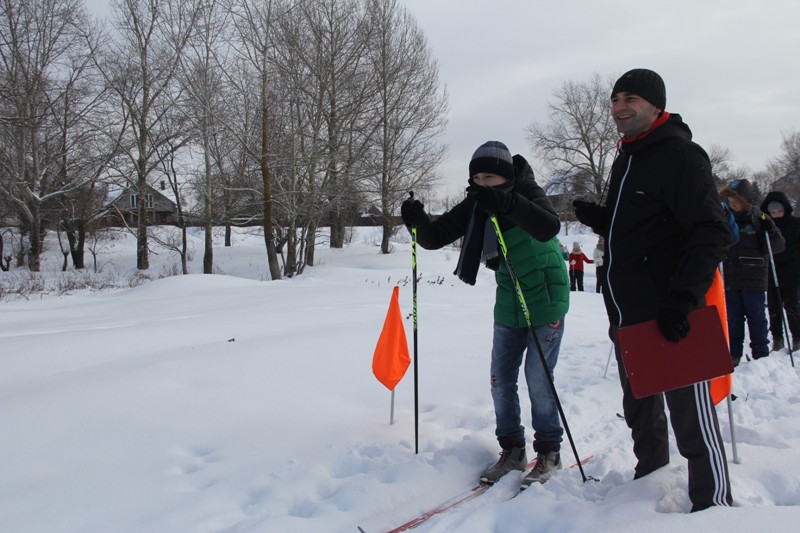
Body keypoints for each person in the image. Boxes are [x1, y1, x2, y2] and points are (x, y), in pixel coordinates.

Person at [572, 68, 733, 511]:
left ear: (656, 105)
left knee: (692, 420)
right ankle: (647, 490)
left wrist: (683, 298)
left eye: (630, 99)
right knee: (642, 413)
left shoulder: (682, 155)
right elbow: (647, 226)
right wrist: (603, 220)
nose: (619, 107)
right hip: (629, 312)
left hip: (672, 314)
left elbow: (711, 232)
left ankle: (714, 508)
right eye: (615, 99)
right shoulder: (626, 156)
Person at [401, 140, 570, 489]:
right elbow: (436, 236)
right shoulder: (477, 200)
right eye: (476, 178)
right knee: (500, 380)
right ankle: (512, 451)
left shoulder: (527, 190)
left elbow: (548, 226)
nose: (482, 184)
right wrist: (417, 221)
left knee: (538, 378)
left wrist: (508, 203)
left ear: (506, 176)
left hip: (545, 296)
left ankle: (549, 451)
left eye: (489, 177)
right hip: (510, 296)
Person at [719, 180, 784, 365]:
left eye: (736, 201)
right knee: (734, 318)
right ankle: (734, 353)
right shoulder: (726, 218)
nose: (733, 204)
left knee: (756, 316)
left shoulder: (758, 218)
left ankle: (760, 353)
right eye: (730, 201)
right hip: (731, 276)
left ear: (745, 200)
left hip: (754, 276)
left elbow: (778, 245)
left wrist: (770, 232)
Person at [760, 191, 800, 352]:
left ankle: (797, 337)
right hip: (772, 271)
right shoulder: (765, 225)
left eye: (779, 211)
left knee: (792, 307)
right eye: (773, 211)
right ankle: (777, 338)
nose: (776, 214)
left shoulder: (795, 224)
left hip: (792, 272)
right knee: (774, 308)